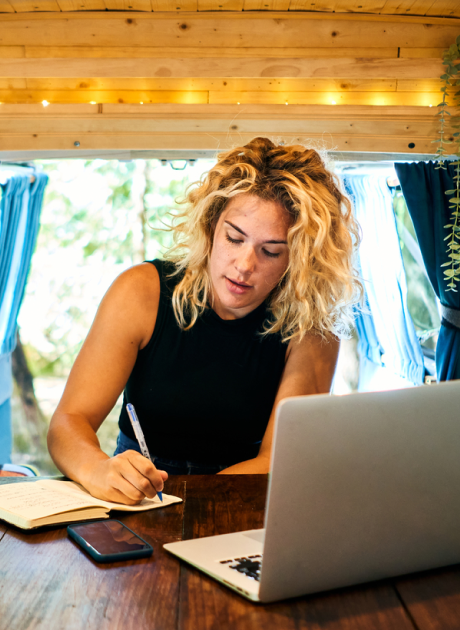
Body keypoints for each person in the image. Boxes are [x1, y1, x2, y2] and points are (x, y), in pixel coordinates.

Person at [47, 138, 362, 505]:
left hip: (241, 500)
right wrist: (96, 469)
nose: (244, 266)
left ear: (300, 258)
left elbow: (276, 461)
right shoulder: (140, 293)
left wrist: (185, 504)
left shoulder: (311, 328)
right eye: (234, 238)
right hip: (139, 498)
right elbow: (69, 421)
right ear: (211, 226)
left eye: (271, 251)